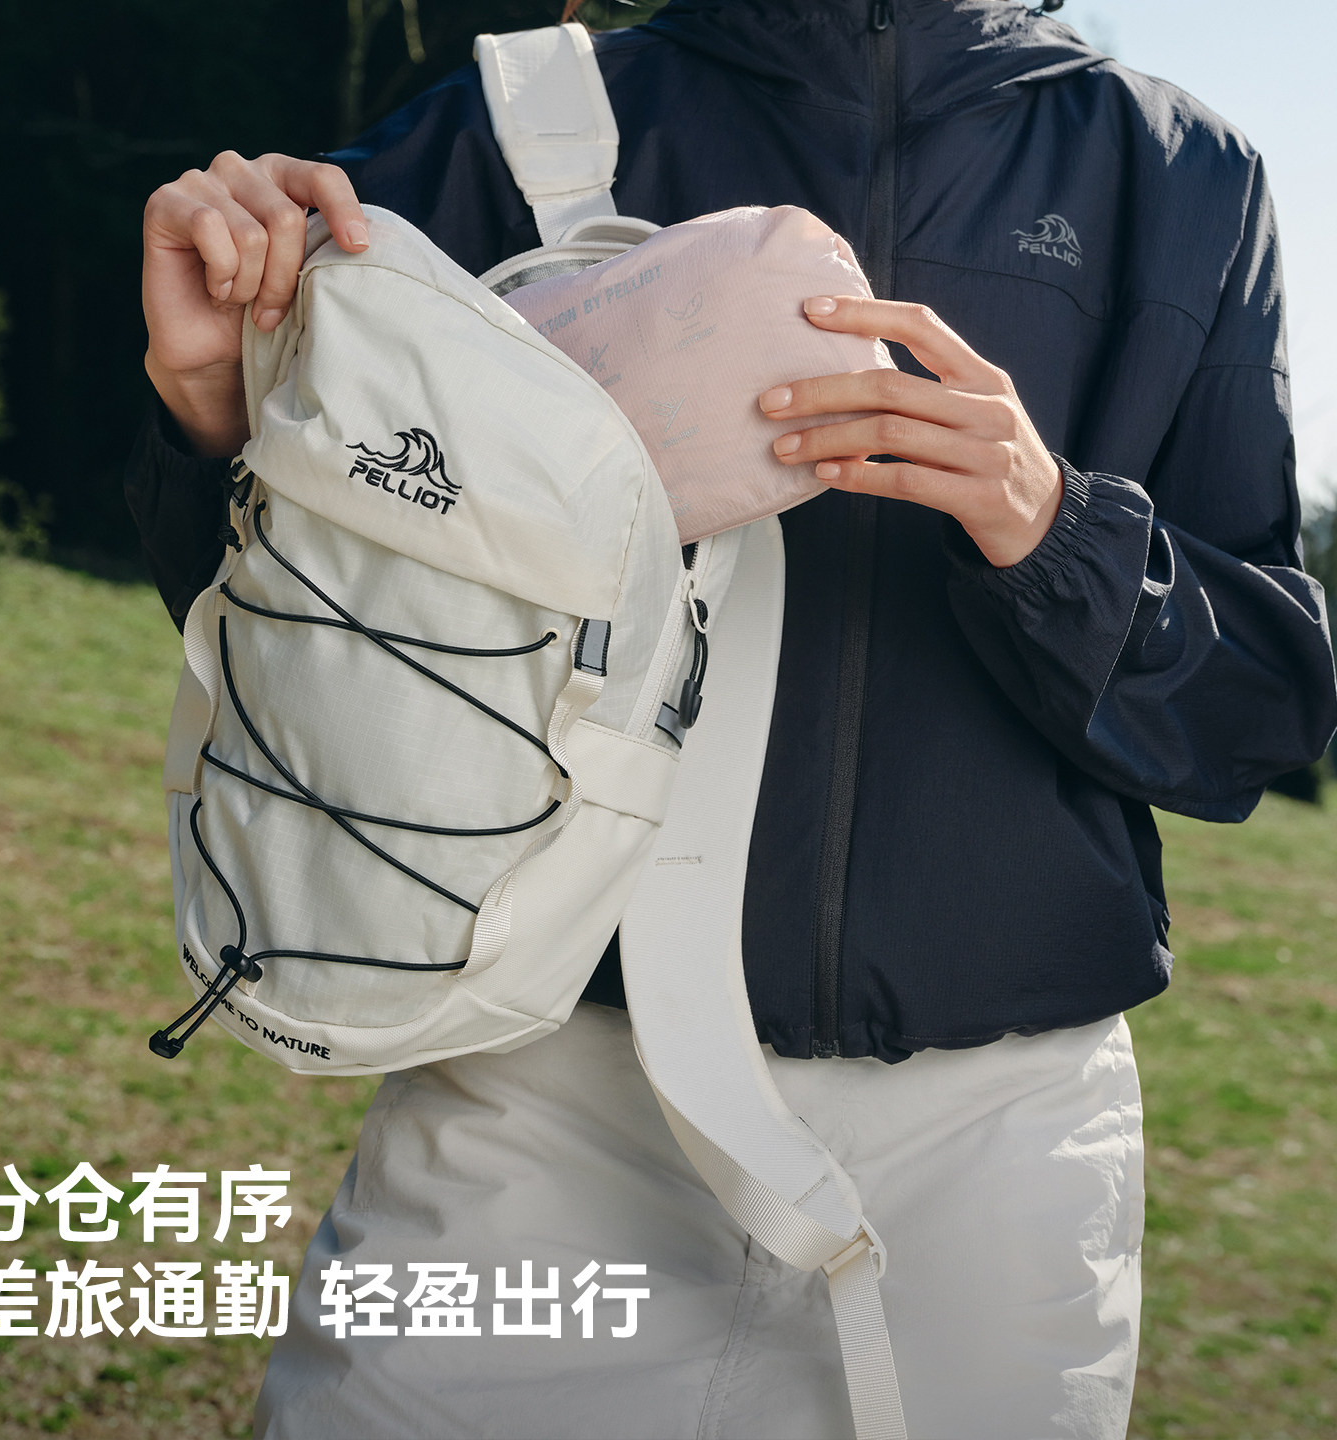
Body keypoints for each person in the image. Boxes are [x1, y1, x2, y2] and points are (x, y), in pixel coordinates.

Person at [128, 2, 1337, 1436]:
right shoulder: (510, 125)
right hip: (541, 1095)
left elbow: (1261, 711)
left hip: (997, 1150)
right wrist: (216, 406)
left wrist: (1057, 529)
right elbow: (306, 634)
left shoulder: (1180, 176)